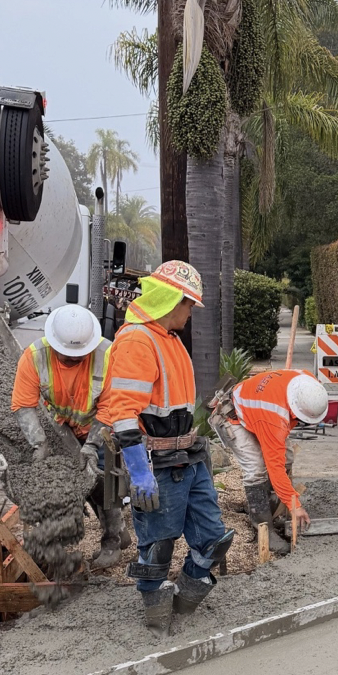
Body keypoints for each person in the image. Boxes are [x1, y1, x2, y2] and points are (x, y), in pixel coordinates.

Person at [95, 261, 232, 629]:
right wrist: (139, 470)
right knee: (157, 546)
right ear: (170, 300)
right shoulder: (138, 340)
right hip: (158, 461)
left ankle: (184, 605)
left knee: (213, 539)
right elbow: (123, 411)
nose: (190, 312)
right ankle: (157, 615)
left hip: (188, 456)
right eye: (188, 304)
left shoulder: (168, 340)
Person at [10, 302, 125, 569]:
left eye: (79, 355)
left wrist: (93, 445)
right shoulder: (35, 356)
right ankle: (115, 527)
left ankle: (112, 541)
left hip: (102, 426)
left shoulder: (108, 355)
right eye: (67, 355)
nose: (73, 359)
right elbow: (24, 405)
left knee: (106, 480)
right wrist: (39, 444)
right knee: (81, 483)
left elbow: (109, 407)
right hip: (64, 427)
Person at [218, 368, 328, 556]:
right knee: (257, 468)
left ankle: (272, 508)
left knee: (287, 457)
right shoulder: (273, 419)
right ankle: (263, 526)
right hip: (231, 416)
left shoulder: (306, 381)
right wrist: (295, 505)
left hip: (256, 408)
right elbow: (274, 467)